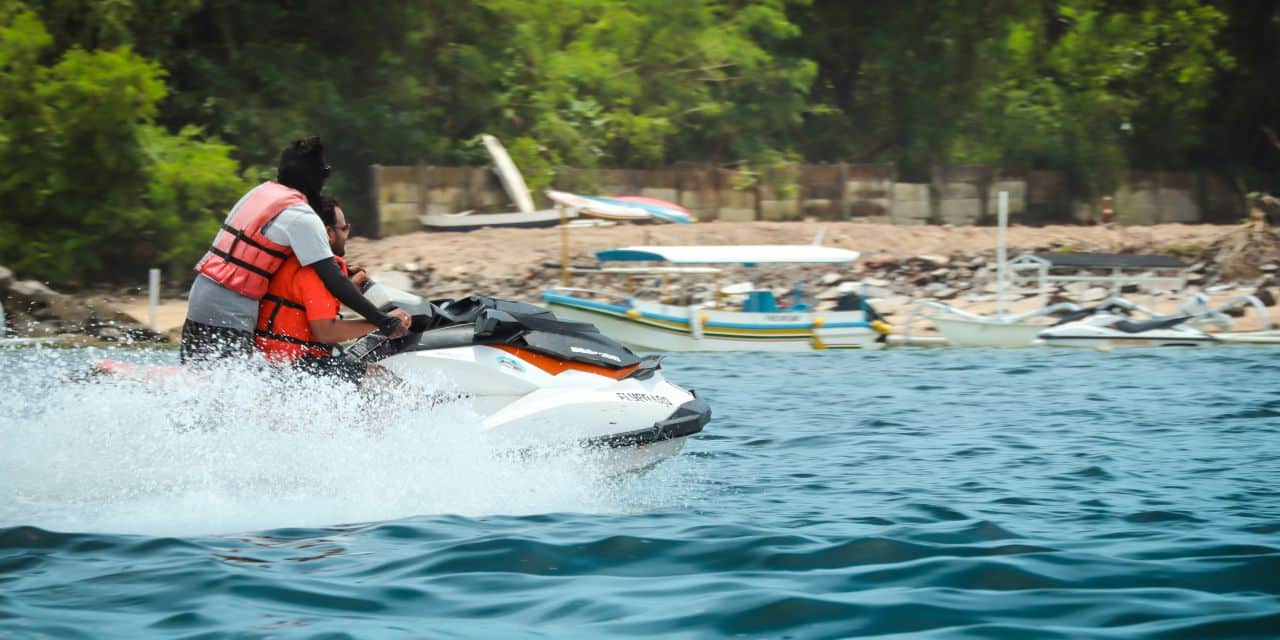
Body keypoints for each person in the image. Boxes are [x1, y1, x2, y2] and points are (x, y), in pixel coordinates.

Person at [180, 136, 409, 363]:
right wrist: (383, 321)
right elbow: (333, 280)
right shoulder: (302, 216)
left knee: (199, 377)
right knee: (226, 390)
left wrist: (345, 271)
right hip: (229, 311)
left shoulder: (259, 194)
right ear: (315, 178)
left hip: (201, 294)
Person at [253, 197, 391, 383]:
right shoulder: (315, 272)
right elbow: (326, 332)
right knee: (380, 377)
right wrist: (385, 323)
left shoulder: (294, 262)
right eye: (344, 228)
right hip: (294, 365)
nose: (347, 234)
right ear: (328, 233)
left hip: (276, 360)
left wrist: (349, 285)